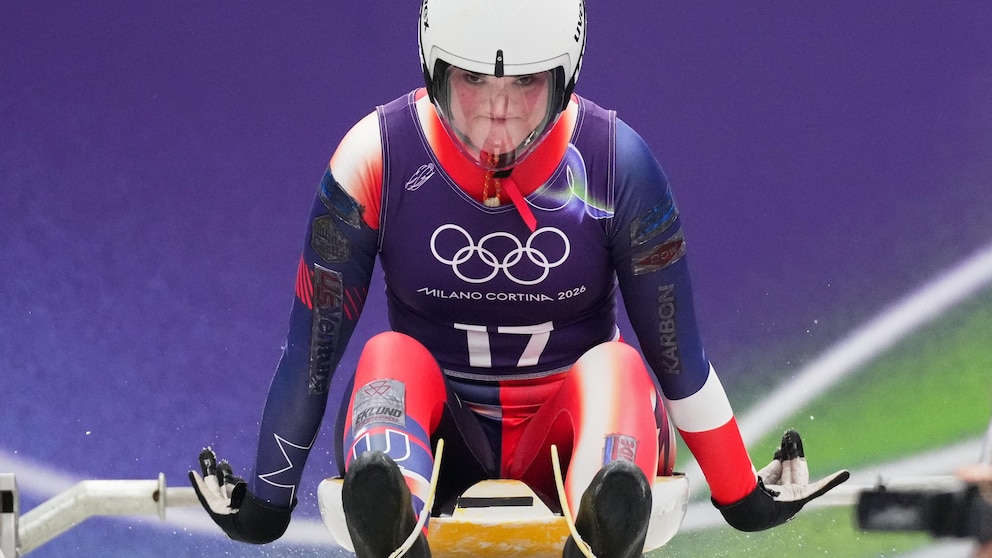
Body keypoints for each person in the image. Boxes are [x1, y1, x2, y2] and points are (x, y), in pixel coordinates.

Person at [189, 1, 849, 556]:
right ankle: (396, 508)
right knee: (388, 356)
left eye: (526, 82)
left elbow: (676, 357)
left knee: (617, 366)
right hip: (439, 436)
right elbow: (312, 353)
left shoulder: (618, 164)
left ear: (565, 77)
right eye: (473, 80)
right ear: (434, 68)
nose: (497, 113)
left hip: (574, 435)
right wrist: (267, 503)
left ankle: (601, 514)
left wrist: (740, 494)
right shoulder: (373, 159)